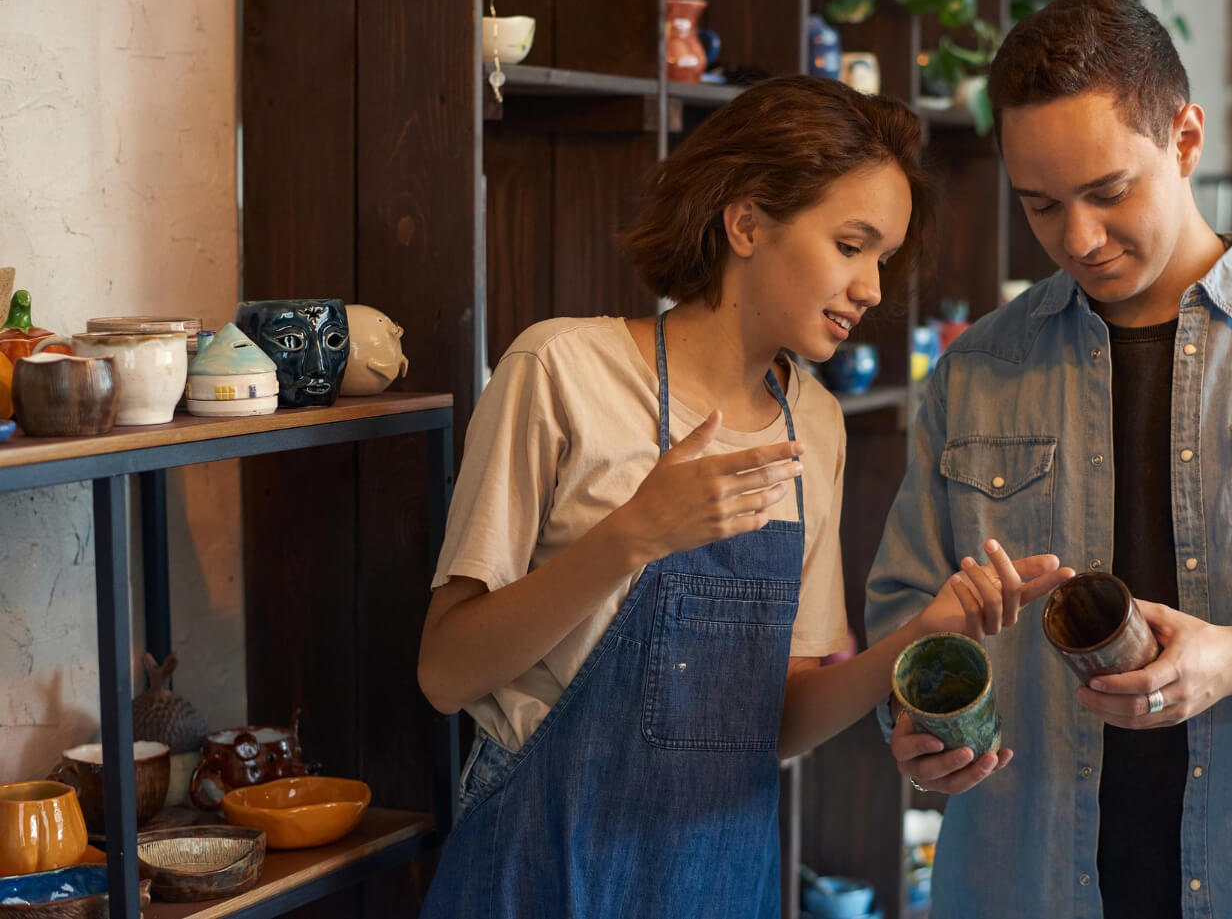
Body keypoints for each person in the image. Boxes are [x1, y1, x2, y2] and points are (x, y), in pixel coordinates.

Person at [867, 0, 1232, 919]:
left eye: (1109, 192)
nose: (1079, 238)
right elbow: (906, 609)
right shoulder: (977, 371)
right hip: (1016, 884)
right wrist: (909, 719)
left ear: (1185, 139)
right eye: (1041, 205)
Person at [414, 75, 1071, 919]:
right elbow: (445, 671)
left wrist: (919, 634)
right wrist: (634, 535)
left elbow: (774, 723)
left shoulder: (817, 424)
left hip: (721, 881)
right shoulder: (560, 372)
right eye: (850, 245)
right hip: (541, 873)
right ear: (748, 221)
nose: (872, 286)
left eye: (883, 257)